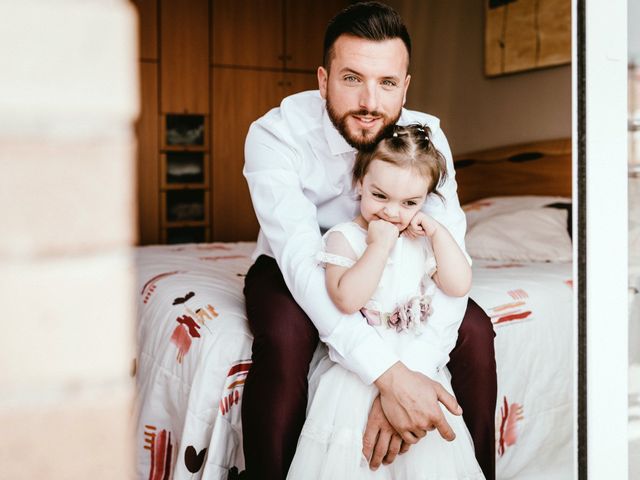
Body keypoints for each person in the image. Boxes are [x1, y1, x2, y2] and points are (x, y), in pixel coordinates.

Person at [242, 2, 497, 479]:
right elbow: (300, 261)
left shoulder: (427, 139)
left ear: (405, 85)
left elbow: (450, 252)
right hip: (297, 264)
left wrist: (409, 382)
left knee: (477, 332)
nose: (369, 102)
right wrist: (388, 375)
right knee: (285, 334)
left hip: (401, 269)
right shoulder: (275, 135)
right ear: (323, 80)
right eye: (351, 78)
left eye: (386, 83)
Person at [286, 123, 484, 479]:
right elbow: (347, 299)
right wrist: (378, 247)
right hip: (356, 378)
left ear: (425, 201)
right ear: (359, 183)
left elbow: (459, 285)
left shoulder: (421, 240)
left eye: (409, 203)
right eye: (380, 197)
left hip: (417, 366)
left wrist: (439, 234)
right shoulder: (344, 239)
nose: (393, 213)